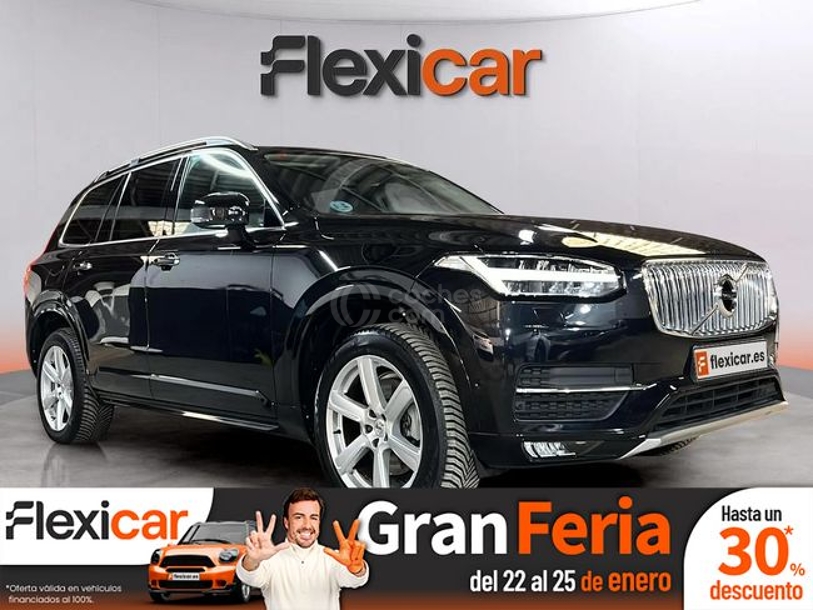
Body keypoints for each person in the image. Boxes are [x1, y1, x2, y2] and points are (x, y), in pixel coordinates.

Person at [236, 487, 368, 610]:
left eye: (313, 518)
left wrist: (357, 570)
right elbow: (249, 577)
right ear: (286, 522)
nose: (307, 525)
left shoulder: (333, 558)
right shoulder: (270, 560)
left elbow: (354, 581)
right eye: (299, 517)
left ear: (319, 522)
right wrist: (252, 560)